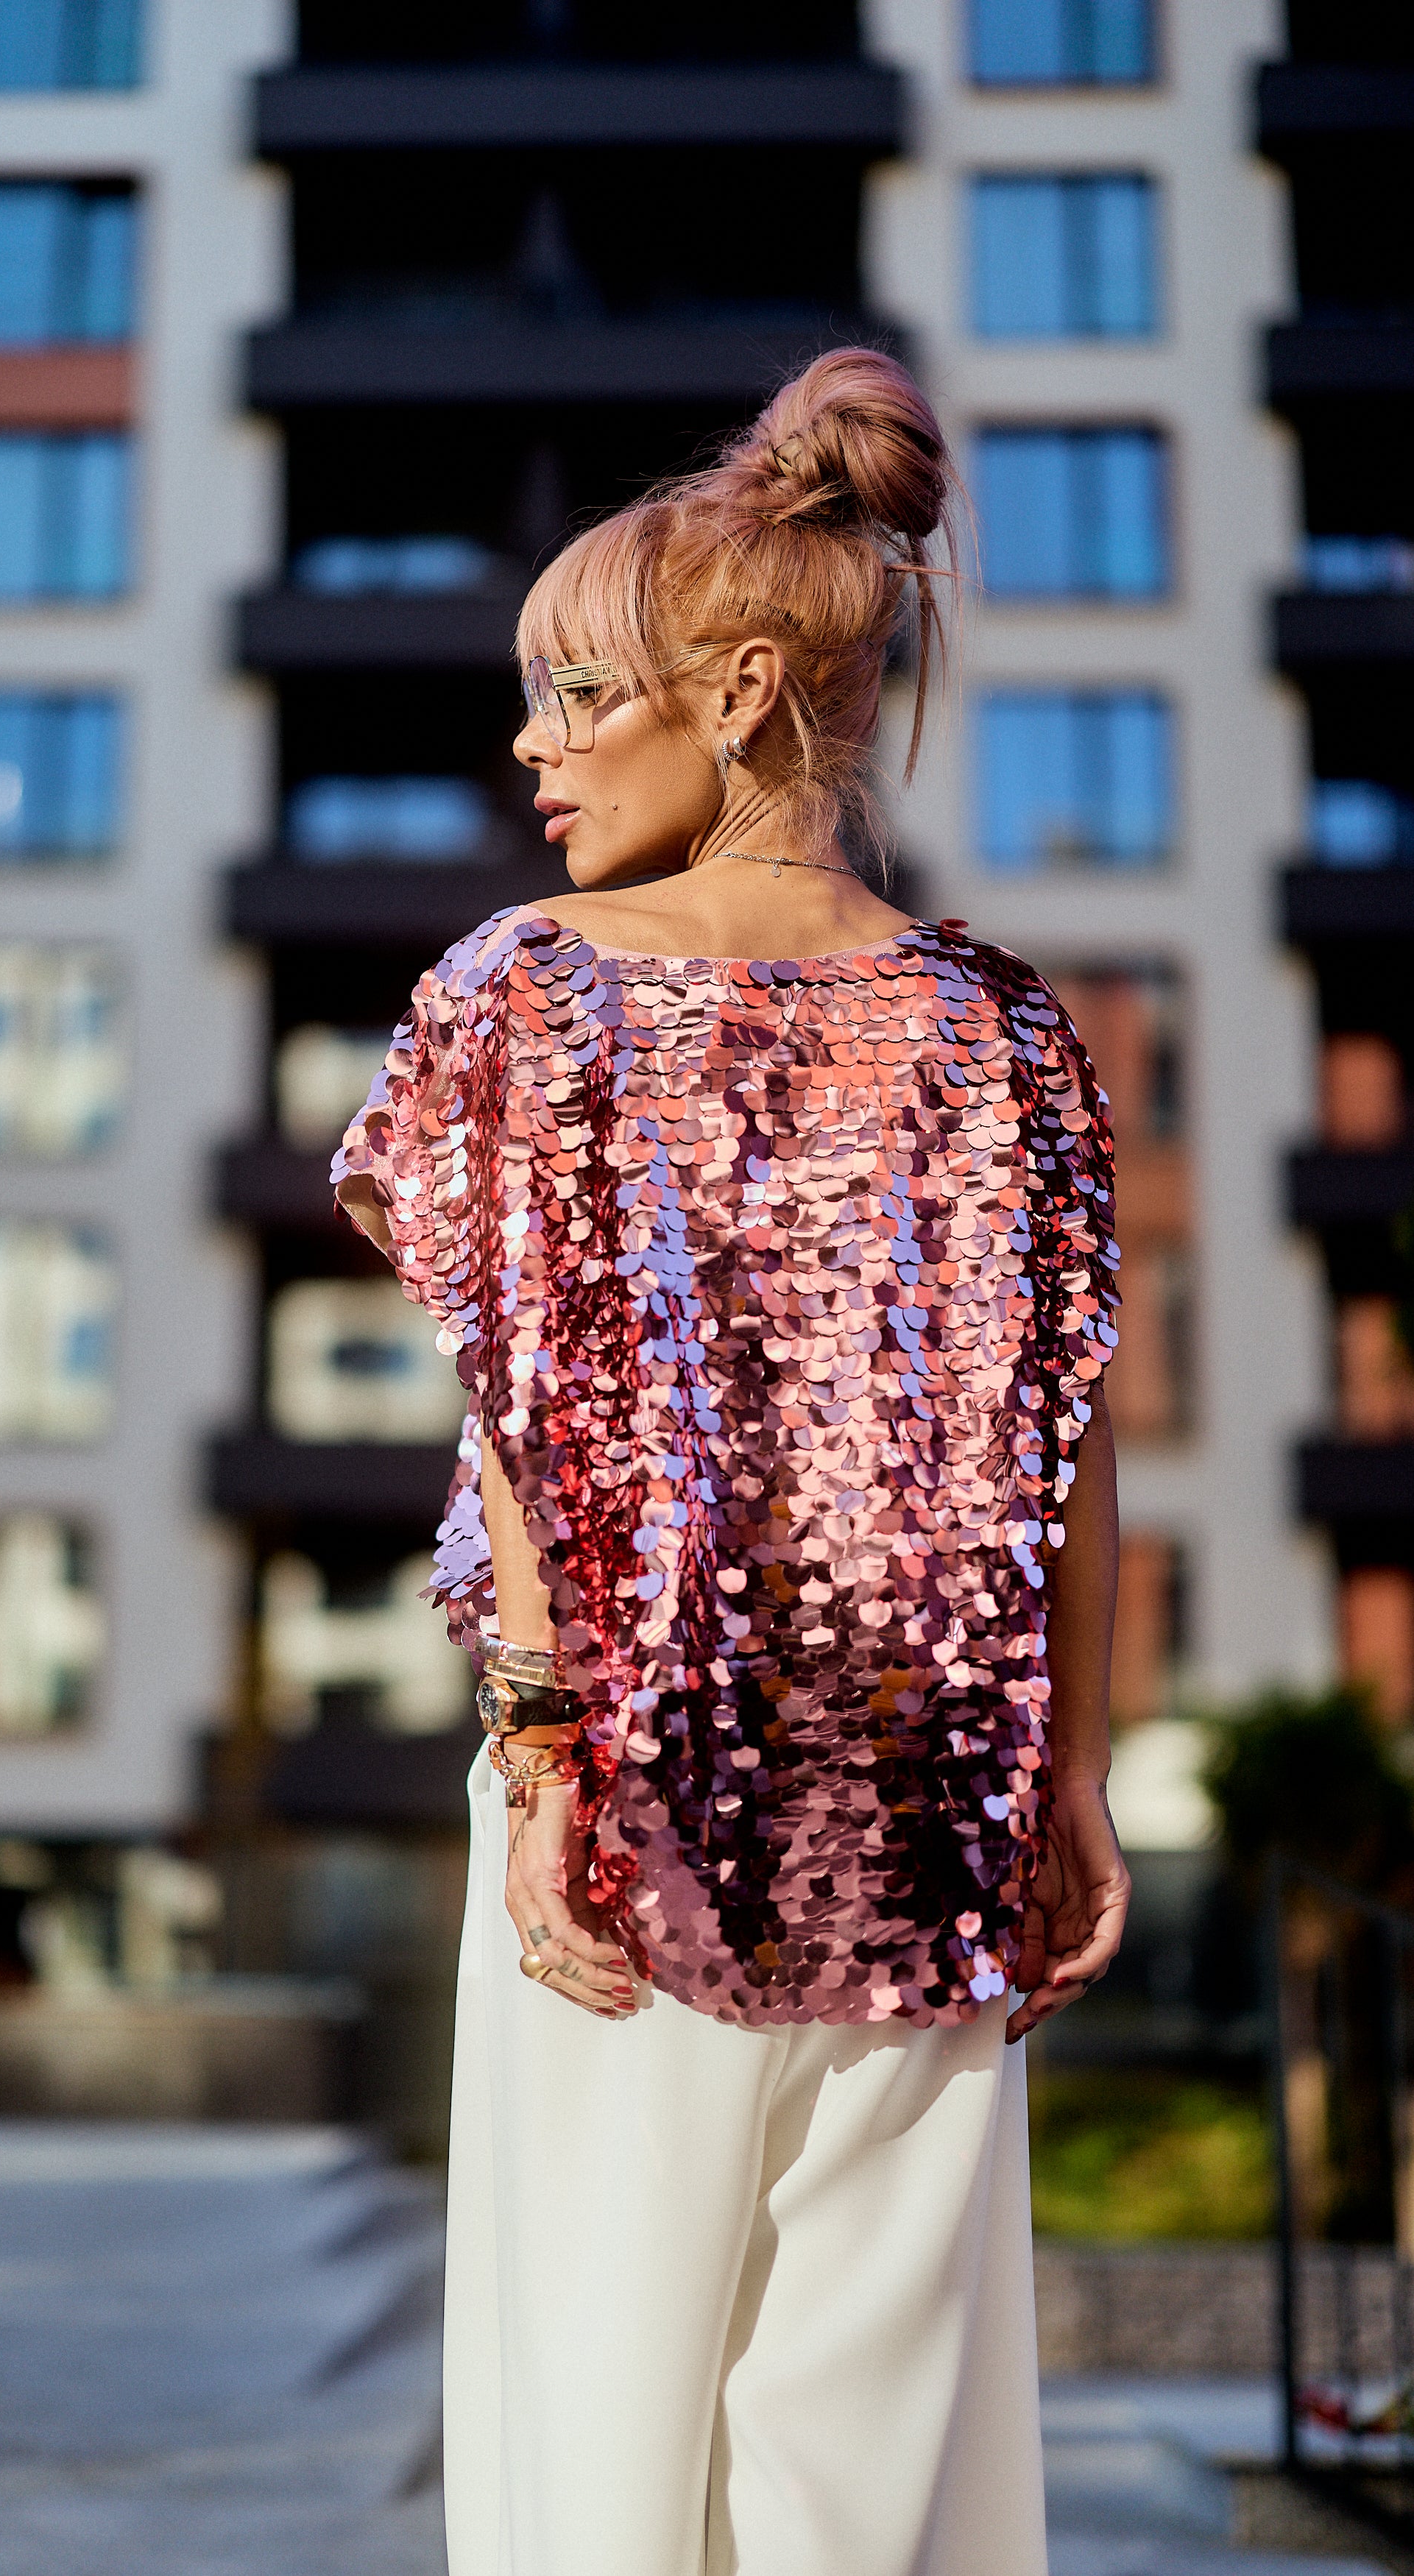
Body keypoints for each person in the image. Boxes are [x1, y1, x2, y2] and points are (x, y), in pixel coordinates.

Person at [334, 347, 1129, 2576]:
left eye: (575, 698)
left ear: (748, 681)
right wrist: (1072, 1781)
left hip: (642, 1800)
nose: (532, 749)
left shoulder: (521, 993)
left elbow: (520, 1417)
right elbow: (1073, 1449)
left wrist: (545, 1743)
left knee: (595, 2441)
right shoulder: (1008, 1031)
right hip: (934, 1822)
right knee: (872, 2485)